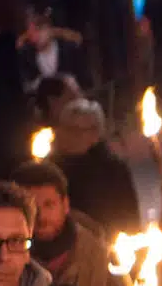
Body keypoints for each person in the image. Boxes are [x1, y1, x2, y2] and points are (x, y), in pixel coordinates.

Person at [11, 160, 122, 286]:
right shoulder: (3, 258)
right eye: (32, 207)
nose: (41, 217)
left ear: (65, 204)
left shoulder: (98, 256)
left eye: (49, 205)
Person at [52, 100, 142, 236]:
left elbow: (130, 219)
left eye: (77, 131)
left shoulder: (113, 171)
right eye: (67, 129)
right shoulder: (52, 168)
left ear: (95, 134)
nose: (70, 136)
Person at [16, 10, 87, 91]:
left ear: (49, 29)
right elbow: (25, 85)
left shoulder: (70, 49)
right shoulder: (27, 55)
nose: (35, 37)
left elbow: (85, 80)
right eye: (31, 33)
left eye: (39, 30)